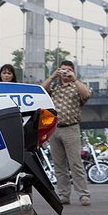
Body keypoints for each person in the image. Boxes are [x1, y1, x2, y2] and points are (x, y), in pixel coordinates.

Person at [42, 60, 91, 206]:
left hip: (71, 128)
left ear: (73, 72)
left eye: (68, 70)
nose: (65, 73)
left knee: (75, 163)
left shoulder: (77, 87)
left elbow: (86, 95)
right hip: (55, 129)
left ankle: (83, 194)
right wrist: (52, 77)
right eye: (63, 70)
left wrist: (74, 79)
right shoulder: (54, 87)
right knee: (59, 165)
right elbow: (42, 90)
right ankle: (64, 195)